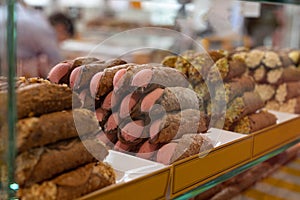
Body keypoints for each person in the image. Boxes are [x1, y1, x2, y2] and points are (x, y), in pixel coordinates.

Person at [0, 1, 63, 78]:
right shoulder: (36, 21)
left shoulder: (5, 14)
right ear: (61, 27)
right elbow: (56, 60)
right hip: (20, 76)